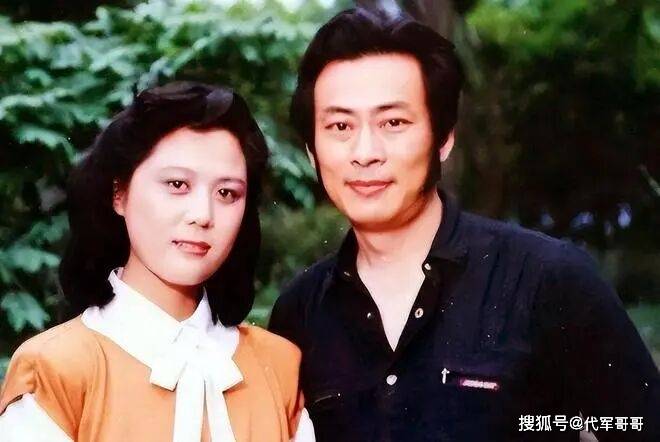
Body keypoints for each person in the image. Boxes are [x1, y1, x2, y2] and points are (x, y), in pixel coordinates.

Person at [268, 7, 659, 442]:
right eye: (340, 125)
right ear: (312, 151)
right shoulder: (298, 313)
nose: (365, 152)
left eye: (393, 122)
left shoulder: (548, 280)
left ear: (443, 139)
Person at [0, 82, 314, 441]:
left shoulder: (279, 366)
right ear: (119, 193)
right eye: (177, 185)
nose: (202, 215)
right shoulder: (57, 367)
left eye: (227, 193)